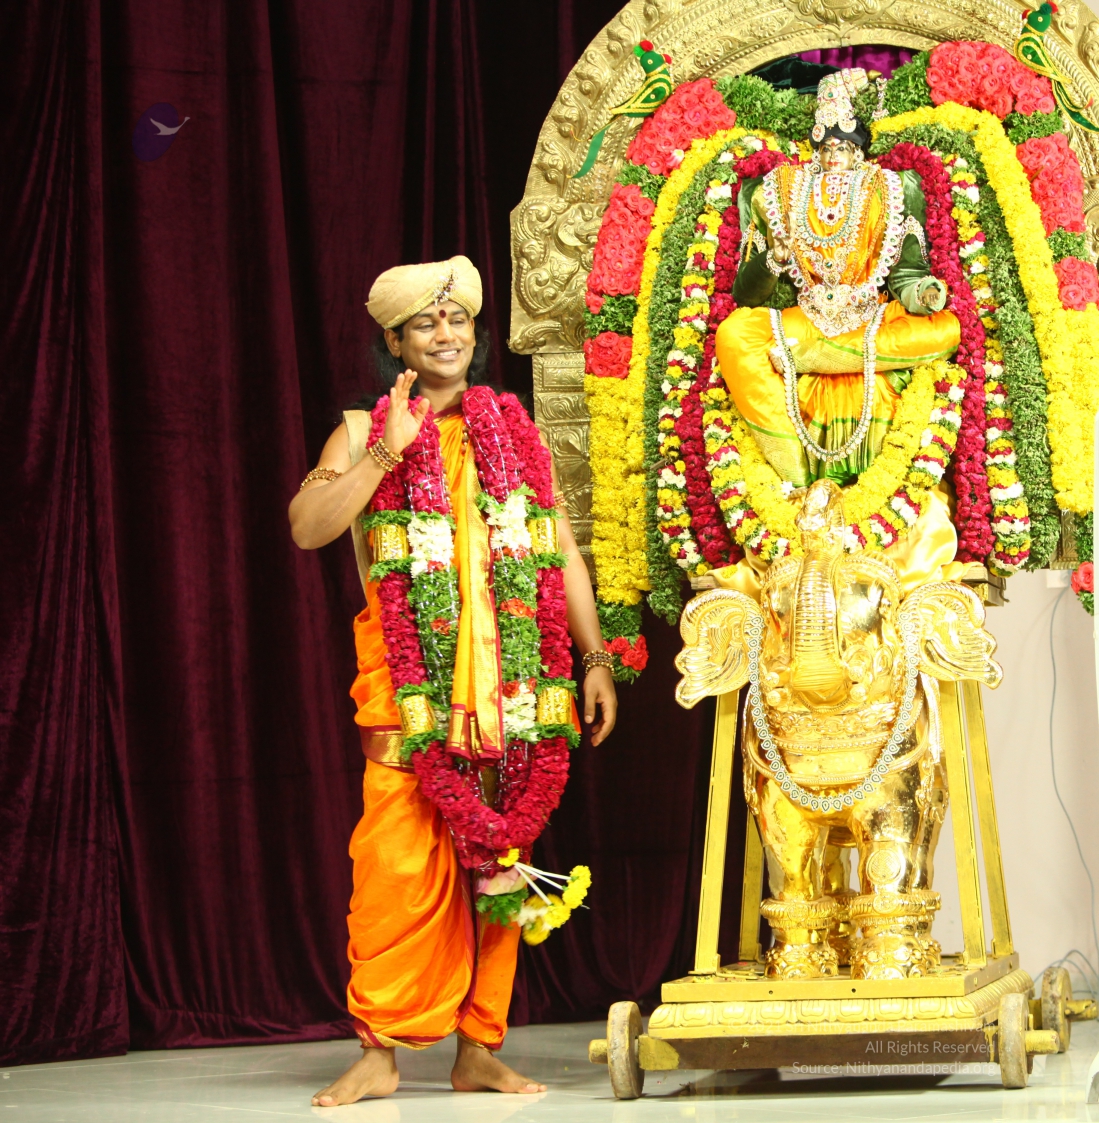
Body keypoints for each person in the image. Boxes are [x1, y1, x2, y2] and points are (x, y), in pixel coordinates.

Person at [288, 255, 617, 1106]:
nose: (444, 333)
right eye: (424, 323)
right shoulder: (361, 431)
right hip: (408, 693)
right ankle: (380, 1049)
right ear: (394, 342)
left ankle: (479, 1047)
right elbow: (307, 526)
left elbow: (560, 548)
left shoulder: (514, 435)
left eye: (457, 319)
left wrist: (593, 658)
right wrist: (383, 455)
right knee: (394, 870)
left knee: (502, 863)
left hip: (511, 689)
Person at [716, 68, 960, 488]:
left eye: (843, 147)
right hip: (806, 315)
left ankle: (811, 357)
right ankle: (792, 475)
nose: (833, 156)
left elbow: (907, 272)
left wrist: (923, 293)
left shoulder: (889, 188)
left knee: (947, 329)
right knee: (734, 333)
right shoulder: (779, 190)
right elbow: (745, 296)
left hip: (869, 316)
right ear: (815, 148)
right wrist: (774, 259)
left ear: (858, 151)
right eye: (826, 147)